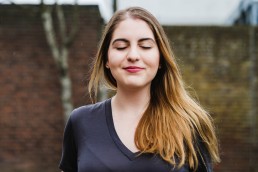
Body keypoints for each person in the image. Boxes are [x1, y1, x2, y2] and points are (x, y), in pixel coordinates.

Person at [59, 6, 220, 172]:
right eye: (121, 47)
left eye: (145, 46)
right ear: (106, 59)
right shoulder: (81, 122)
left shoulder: (190, 124)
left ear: (160, 59)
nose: (133, 55)